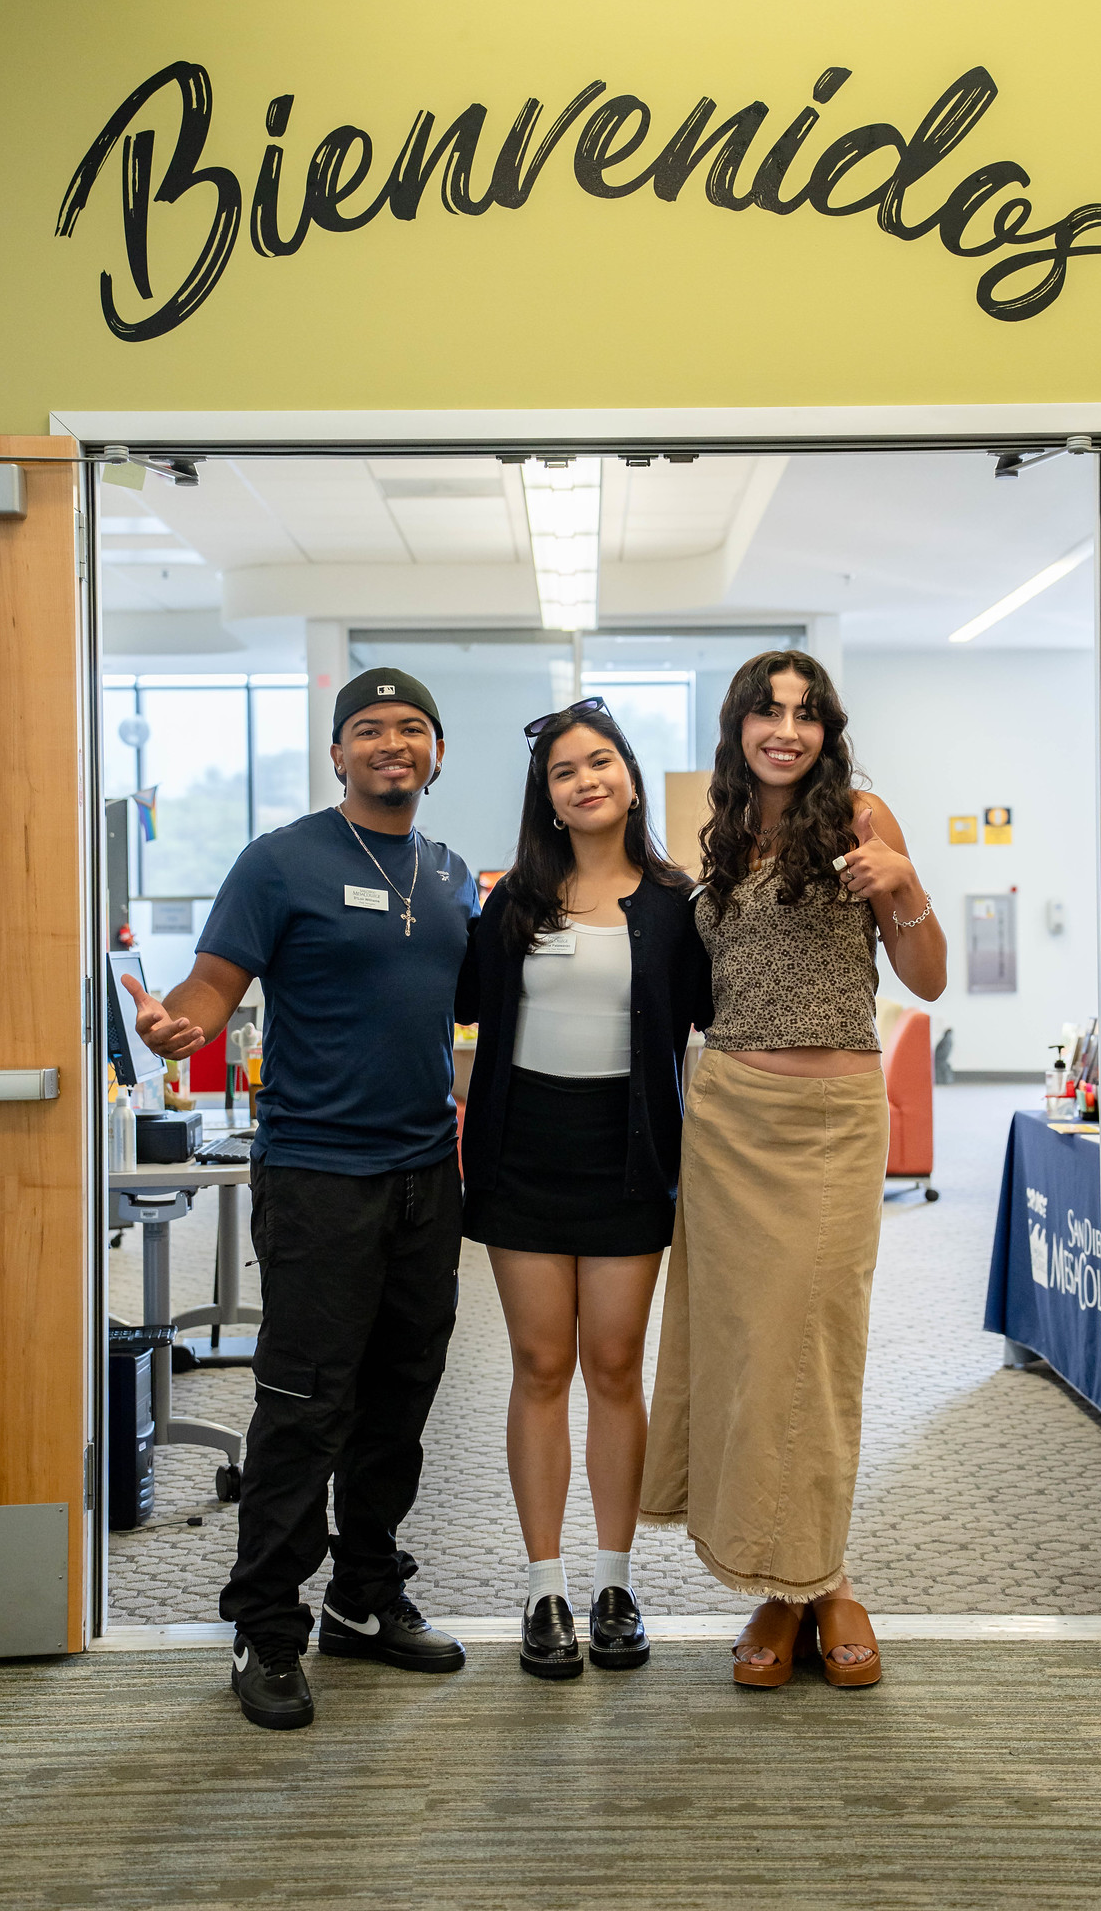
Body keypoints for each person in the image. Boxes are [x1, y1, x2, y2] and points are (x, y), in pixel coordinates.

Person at [122, 667, 479, 1731]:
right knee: (303, 1405)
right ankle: (266, 1625)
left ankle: (365, 1600)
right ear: (336, 752)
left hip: (428, 1175)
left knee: (400, 1401)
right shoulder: (278, 860)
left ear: (436, 751)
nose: (391, 743)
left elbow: (461, 1003)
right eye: (368, 728)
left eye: (412, 727)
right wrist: (175, 1024)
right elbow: (208, 989)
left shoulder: (451, 870)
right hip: (321, 1175)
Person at [640, 651, 946, 1690]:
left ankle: (821, 1576)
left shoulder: (862, 817)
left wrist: (904, 887)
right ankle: (780, 1580)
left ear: (827, 729)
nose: (786, 727)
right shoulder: (721, 836)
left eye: (805, 712)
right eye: (767, 710)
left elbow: (928, 976)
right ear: (736, 725)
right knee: (743, 1347)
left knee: (816, 1347)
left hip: (828, 1119)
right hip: (726, 1114)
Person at [456, 698, 712, 1680]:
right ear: (549, 797)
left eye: (600, 761)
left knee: (612, 1365)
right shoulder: (513, 901)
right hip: (524, 1156)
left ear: (631, 778)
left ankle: (614, 1580)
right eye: (565, 771)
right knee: (536, 1363)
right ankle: (544, 1586)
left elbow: (716, 1022)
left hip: (629, 1157)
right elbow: (461, 1004)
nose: (585, 779)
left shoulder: (675, 904)